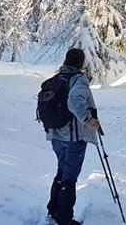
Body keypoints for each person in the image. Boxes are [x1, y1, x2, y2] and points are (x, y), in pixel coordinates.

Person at [46, 48, 101, 225]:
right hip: (72, 138)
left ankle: (53, 211)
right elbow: (74, 101)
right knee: (69, 178)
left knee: (61, 172)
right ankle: (65, 219)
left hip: (55, 135)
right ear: (81, 63)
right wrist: (88, 119)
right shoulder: (78, 81)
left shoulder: (58, 78)